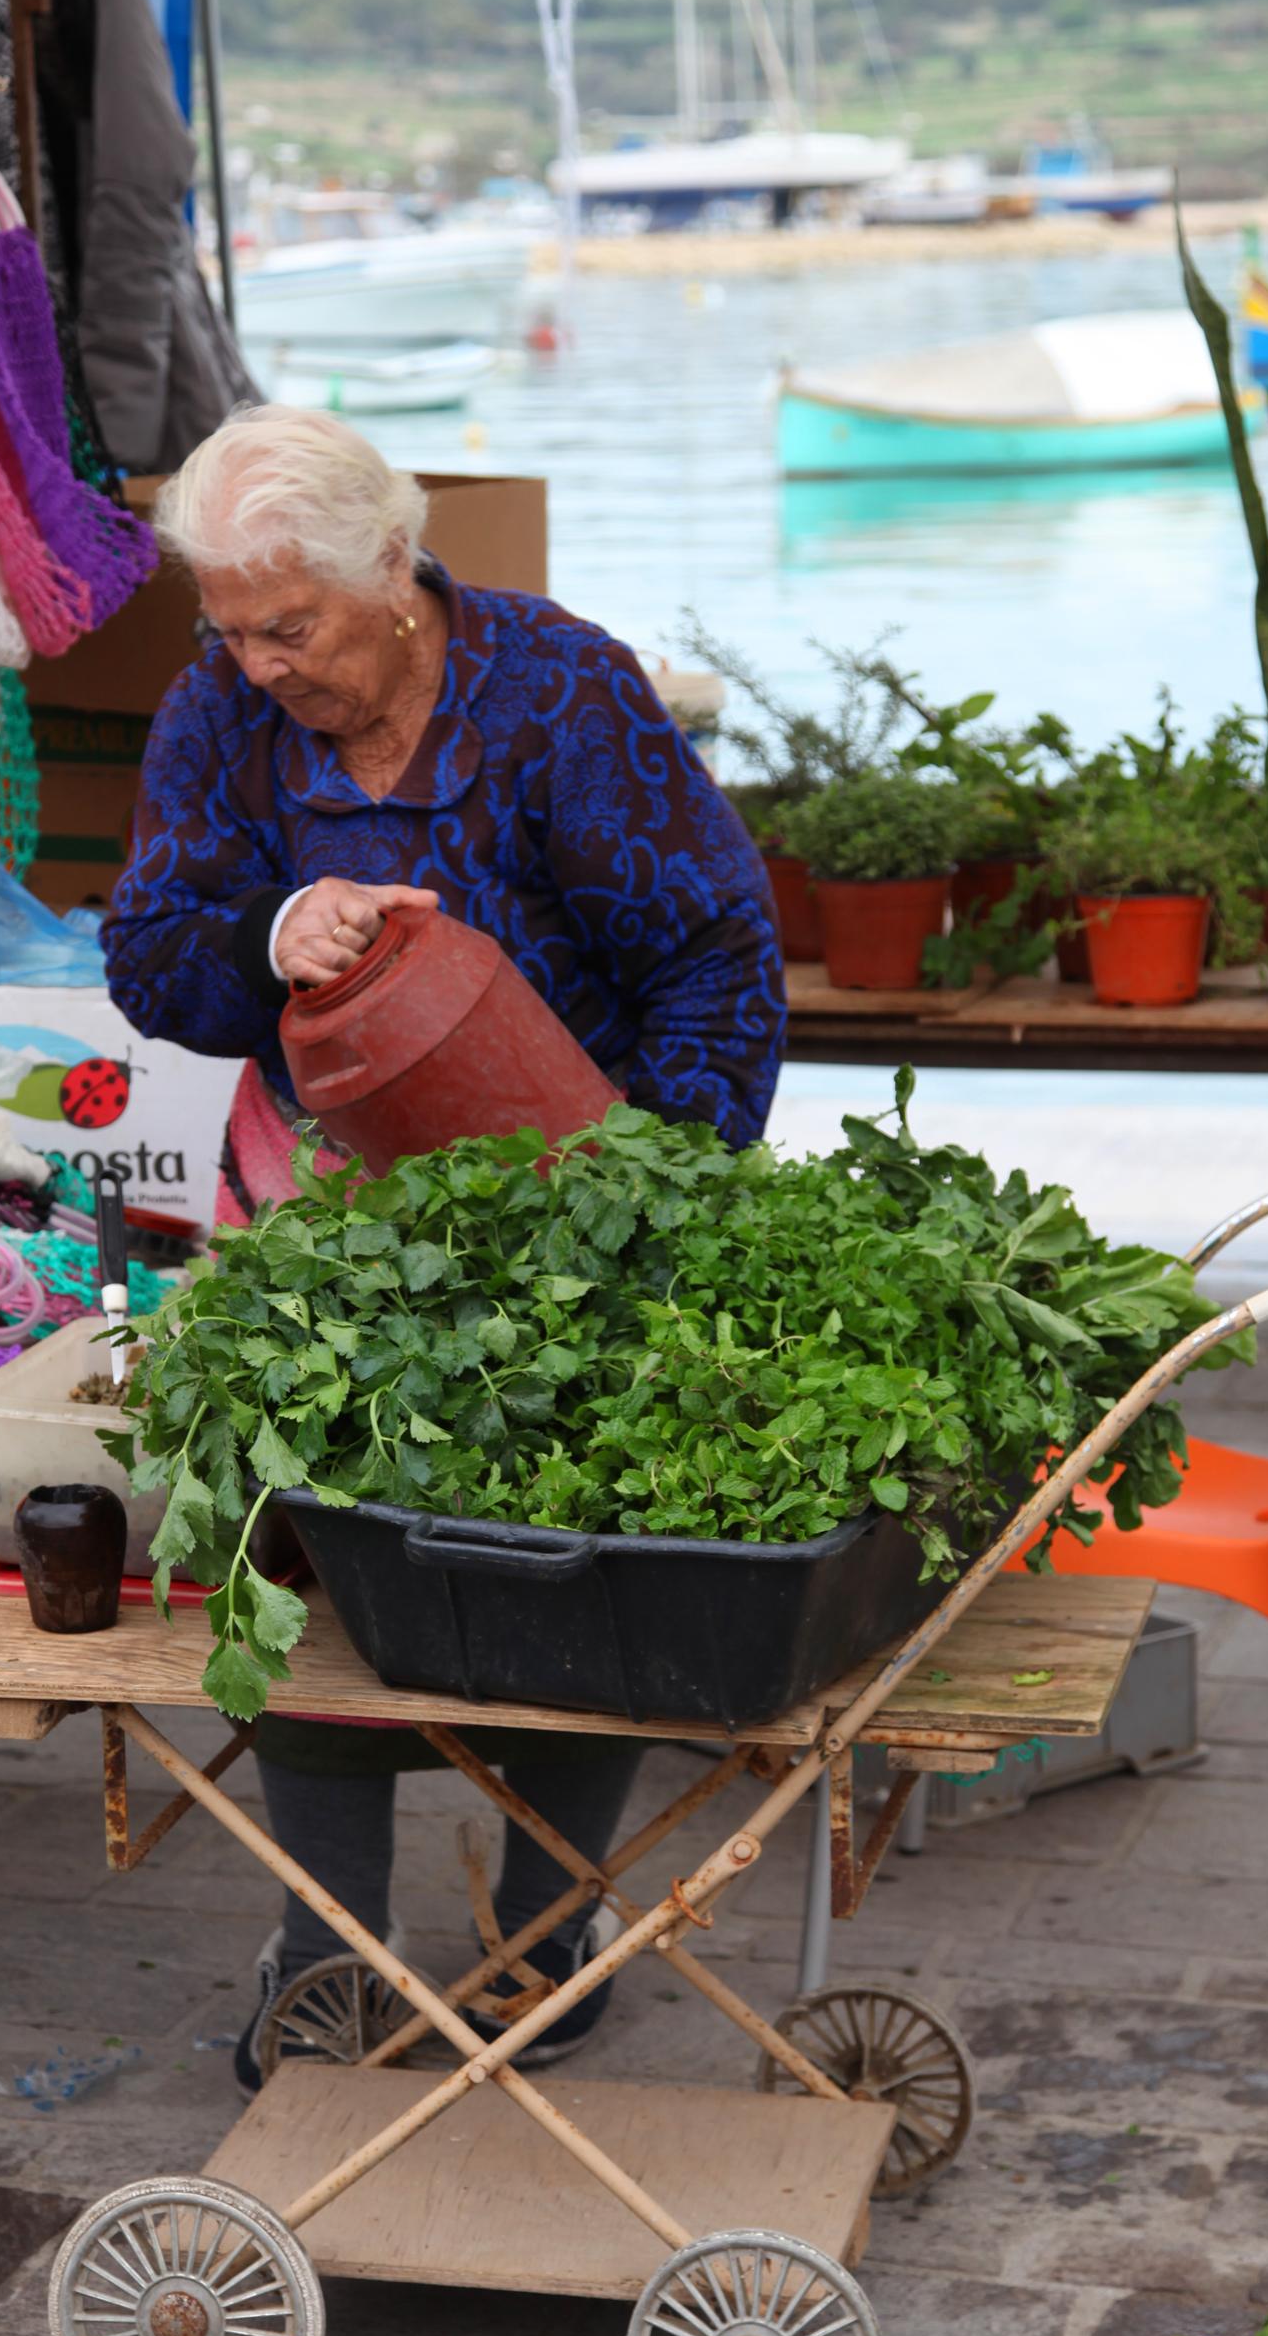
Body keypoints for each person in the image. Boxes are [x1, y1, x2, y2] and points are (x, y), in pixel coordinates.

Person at [105, 404, 786, 2091]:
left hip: (576, 1210)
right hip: (335, 1225)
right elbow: (149, 954)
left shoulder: (555, 692)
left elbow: (717, 951)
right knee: (327, 1566)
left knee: (562, 1576)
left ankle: (535, 1942)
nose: (257, 662)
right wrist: (274, 929)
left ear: (390, 575)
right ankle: (325, 1952)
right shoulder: (224, 719)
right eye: (230, 626)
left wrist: (650, 1195)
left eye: (292, 625)